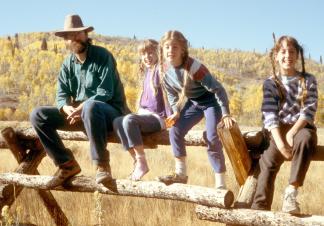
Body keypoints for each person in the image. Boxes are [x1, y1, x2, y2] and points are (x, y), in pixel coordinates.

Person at [30, 14, 129, 187]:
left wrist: (82, 106)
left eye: (78, 34)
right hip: (81, 115)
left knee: (91, 106)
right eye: (69, 36)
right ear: (65, 41)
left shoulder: (102, 56)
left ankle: (102, 166)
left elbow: (105, 92)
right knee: (38, 115)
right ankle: (66, 164)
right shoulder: (68, 64)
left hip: (109, 113)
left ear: (86, 35)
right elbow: (61, 94)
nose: (74, 38)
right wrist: (65, 107)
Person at [156, 30, 234, 189]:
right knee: (175, 130)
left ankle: (220, 183)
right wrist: (176, 110)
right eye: (167, 47)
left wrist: (225, 113)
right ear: (162, 50)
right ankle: (180, 174)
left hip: (212, 101)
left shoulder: (194, 67)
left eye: (175, 47)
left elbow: (218, 89)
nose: (171, 50)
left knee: (212, 137)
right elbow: (170, 92)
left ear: (183, 50)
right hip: (194, 103)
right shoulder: (163, 70)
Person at [251, 36, 318, 214]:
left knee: (305, 139)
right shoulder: (271, 83)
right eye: (283, 51)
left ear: (297, 56)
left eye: (292, 52)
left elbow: (309, 110)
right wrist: (281, 143)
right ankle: (259, 210)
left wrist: (292, 133)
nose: (287, 55)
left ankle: (291, 193)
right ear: (276, 56)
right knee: (267, 162)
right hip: (277, 130)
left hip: (301, 126)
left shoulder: (308, 80)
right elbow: (269, 113)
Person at [113, 39, 170, 181]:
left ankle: (142, 162)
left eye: (151, 53)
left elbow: (171, 92)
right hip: (145, 116)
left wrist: (171, 118)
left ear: (158, 53)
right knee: (118, 121)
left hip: (159, 118)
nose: (147, 57)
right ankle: (137, 161)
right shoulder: (146, 74)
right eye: (143, 54)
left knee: (130, 120)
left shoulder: (161, 70)